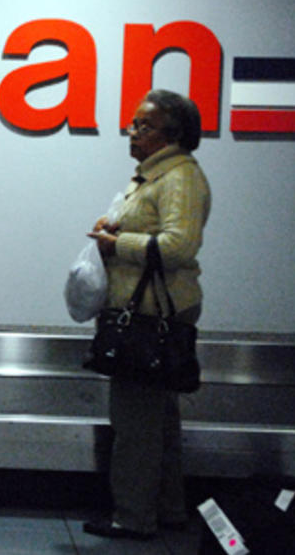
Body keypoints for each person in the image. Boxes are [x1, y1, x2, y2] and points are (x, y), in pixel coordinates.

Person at [83, 89, 211, 540]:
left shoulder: (179, 178)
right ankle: (168, 507)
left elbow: (179, 245)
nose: (133, 132)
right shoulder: (154, 178)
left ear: (171, 135)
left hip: (151, 315)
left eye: (144, 126)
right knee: (160, 422)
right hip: (154, 312)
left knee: (135, 423)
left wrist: (117, 245)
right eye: (135, 123)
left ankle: (132, 517)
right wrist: (113, 226)